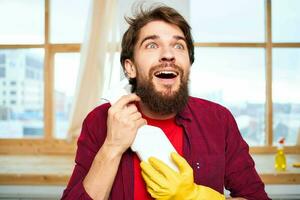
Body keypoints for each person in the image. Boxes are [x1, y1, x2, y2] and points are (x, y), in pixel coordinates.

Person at [61, 5, 270, 200]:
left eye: (178, 46)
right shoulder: (100, 120)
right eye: (152, 45)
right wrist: (112, 147)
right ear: (130, 67)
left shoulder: (218, 120)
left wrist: (195, 196)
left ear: (188, 63)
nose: (168, 55)